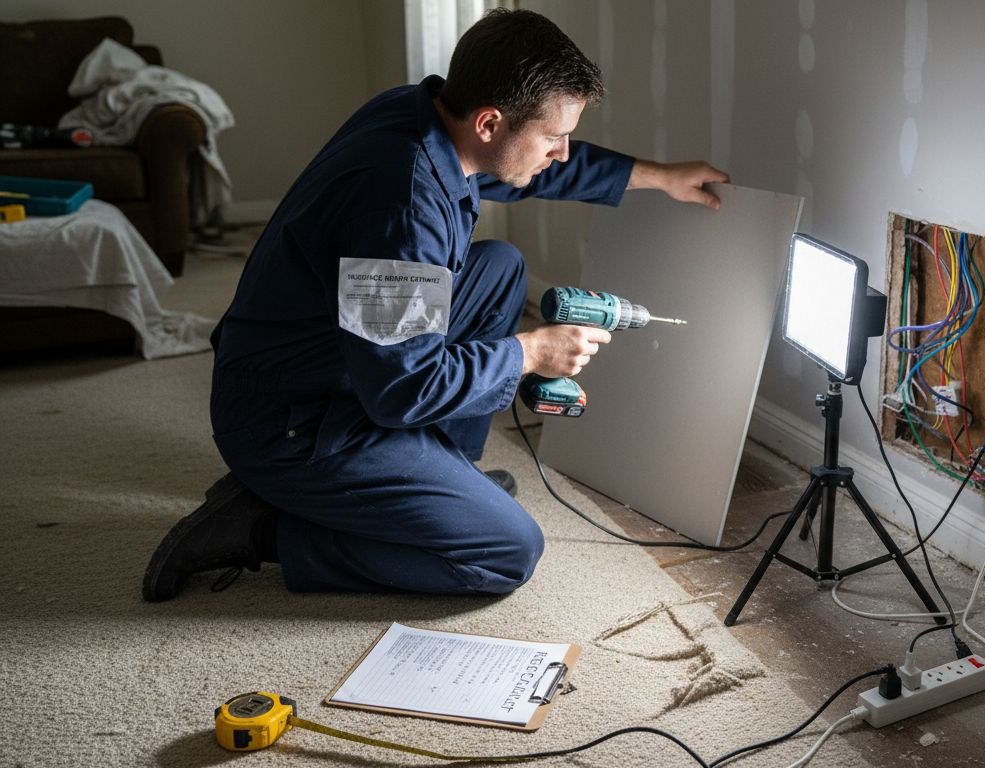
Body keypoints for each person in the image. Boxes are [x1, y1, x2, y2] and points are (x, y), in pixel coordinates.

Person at [142, 8, 728, 601]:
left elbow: (529, 172)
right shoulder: (402, 206)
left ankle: (438, 472)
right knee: (506, 552)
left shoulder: (421, 113)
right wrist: (529, 353)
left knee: (499, 268)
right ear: (490, 122)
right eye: (554, 137)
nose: (561, 151)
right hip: (292, 420)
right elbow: (401, 388)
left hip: (330, 358)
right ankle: (258, 528)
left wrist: (659, 177)